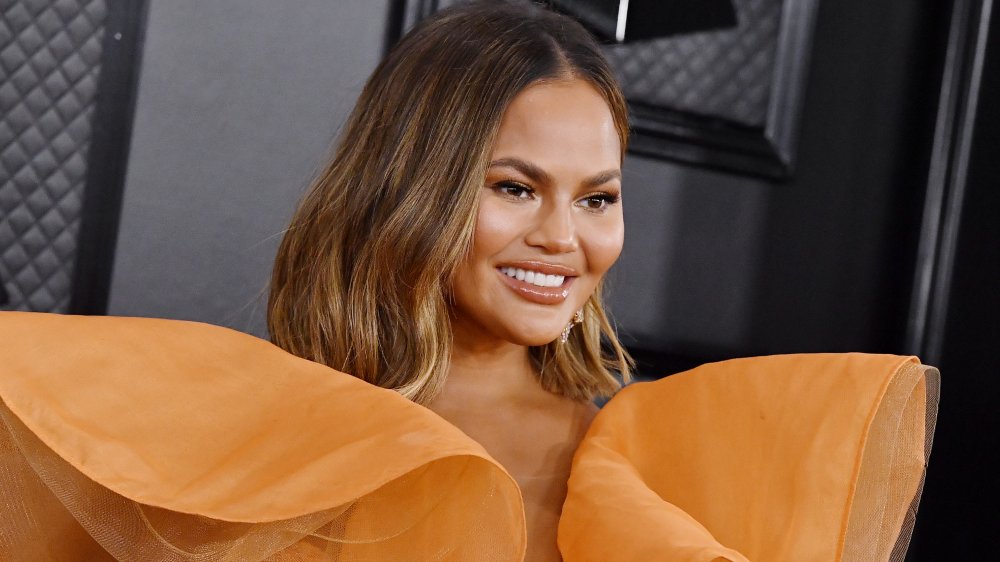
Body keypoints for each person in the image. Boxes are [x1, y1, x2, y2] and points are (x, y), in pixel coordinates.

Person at [0, 2, 938, 561]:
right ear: (411, 187)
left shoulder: (665, 461)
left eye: (598, 198)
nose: (563, 238)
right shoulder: (257, 430)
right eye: (515, 188)